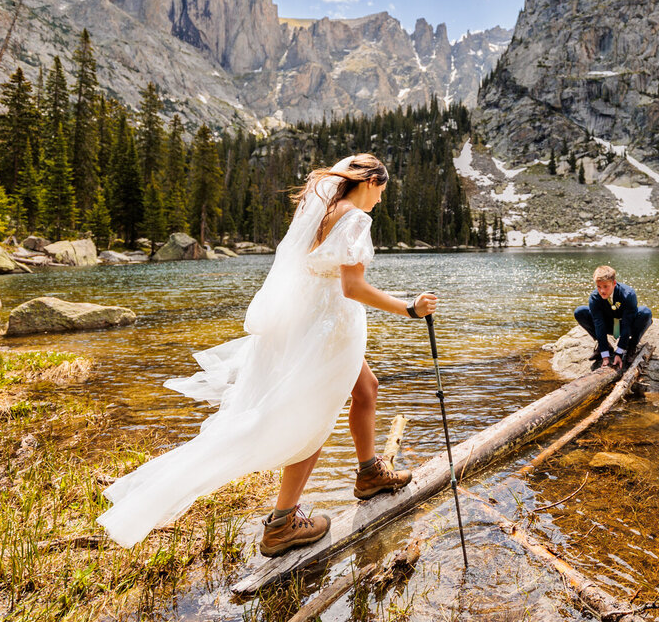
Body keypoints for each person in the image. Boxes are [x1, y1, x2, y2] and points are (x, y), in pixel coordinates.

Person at [97, 154, 438, 558]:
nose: (380, 200)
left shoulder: (325, 210)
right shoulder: (355, 219)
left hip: (313, 322)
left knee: (366, 388)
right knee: (312, 420)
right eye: (382, 190)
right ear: (369, 182)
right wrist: (409, 308)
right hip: (331, 327)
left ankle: (369, 475)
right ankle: (281, 523)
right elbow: (352, 287)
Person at [573, 265, 652, 370]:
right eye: (599, 287)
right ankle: (604, 346)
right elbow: (599, 324)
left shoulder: (628, 294)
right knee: (580, 311)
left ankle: (631, 345)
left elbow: (627, 324)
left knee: (645, 312)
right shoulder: (594, 297)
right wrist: (604, 354)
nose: (602, 291)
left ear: (614, 283)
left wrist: (619, 352)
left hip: (627, 326)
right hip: (608, 326)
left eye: (605, 286)